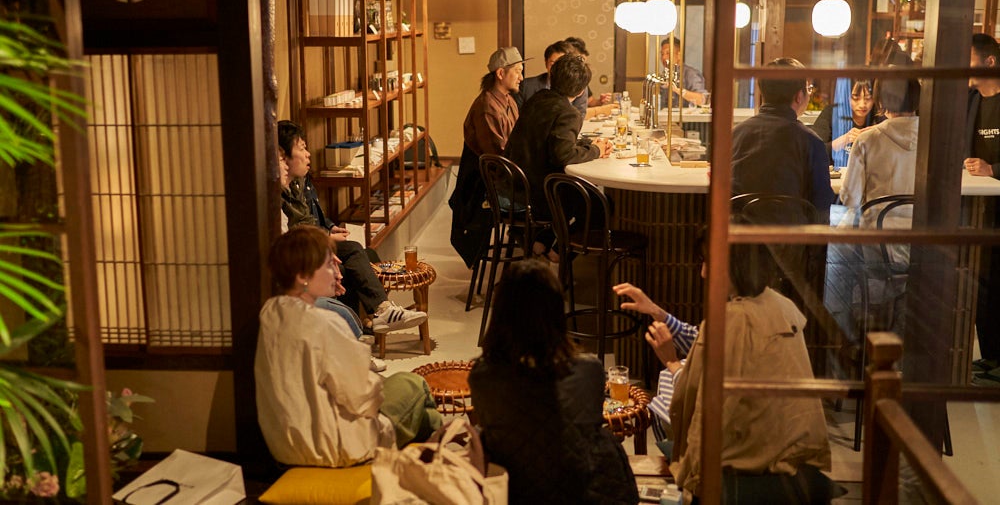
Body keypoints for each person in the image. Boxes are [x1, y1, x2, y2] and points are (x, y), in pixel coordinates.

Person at [614, 241, 834, 504]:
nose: (703, 273)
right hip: (790, 443)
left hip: (752, 454)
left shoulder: (731, 320)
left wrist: (670, 361)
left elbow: (698, 398)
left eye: (708, 262)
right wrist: (657, 313)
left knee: (664, 394)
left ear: (733, 267)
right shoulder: (779, 304)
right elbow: (704, 342)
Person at [255, 226, 442, 467]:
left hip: (284, 446)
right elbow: (361, 397)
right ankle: (437, 463)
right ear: (302, 276)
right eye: (329, 265)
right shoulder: (325, 323)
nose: (338, 272)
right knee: (413, 384)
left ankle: (431, 452)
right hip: (331, 447)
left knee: (425, 416)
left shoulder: (270, 312)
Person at [470, 259, 638, 505]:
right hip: (582, 495)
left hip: (513, 493)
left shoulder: (482, 377)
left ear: (501, 313)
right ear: (557, 312)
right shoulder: (588, 371)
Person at [278, 120, 426, 334]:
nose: (308, 154)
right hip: (305, 251)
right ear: (283, 156)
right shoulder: (279, 193)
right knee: (352, 255)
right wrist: (326, 238)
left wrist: (330, 228)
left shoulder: (301, 181)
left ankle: (373, 320)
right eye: (301, 148)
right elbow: (296, 233)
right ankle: (379, 314)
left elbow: (314, 216)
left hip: (316, 241)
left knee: (368, 254)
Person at [827, 72, 920, 340]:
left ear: (880, 101)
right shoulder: (935, 139)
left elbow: (850, 199)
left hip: (877, 247)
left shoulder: (868, 139)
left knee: (833, 253)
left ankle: (842, 337)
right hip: (924, 244)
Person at [504, 53, 613, 256]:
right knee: (601, 204)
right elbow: (562, 155)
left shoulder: (537, 98)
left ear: (551, 77)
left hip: (514, 184)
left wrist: (588, 144)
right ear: (581, 90)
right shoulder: (568, 113)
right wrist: (597, 150)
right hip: (538, 194)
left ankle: (540, 241)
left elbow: (549, 140)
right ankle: (559, 251)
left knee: (576, 193)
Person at [731, 57, 835, 224]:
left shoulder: (736, 135)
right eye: (808, 89)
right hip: (791, 237)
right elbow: (822, 208)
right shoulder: (811, 142)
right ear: (799, 96)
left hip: (740, 235)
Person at [448, 47, 526, 268]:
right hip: (488, 187)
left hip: (504, 178)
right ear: (501, 73)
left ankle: (534, 251)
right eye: (517, 71)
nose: (521, 78)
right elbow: (499, 157)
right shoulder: (487, 107)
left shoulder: (508, 100)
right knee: (545, 199)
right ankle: (537, 253)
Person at [966, 33, 1000, 384]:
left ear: (989, 62)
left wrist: (993, 170)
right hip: (977, 210)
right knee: (982, 284)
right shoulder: (970, 100)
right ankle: (990, 355)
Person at [810, 78, 884, 169]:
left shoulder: (879, 115)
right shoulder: (832, 113)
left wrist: (881, 132)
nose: (862, 104)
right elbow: (813, 151)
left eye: (868, 98)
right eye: (856, 98)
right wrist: (844, 139)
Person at [515, 40, 588, 118]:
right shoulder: (527, 86)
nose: (557, 69)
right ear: (546, 63)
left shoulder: (578, 86)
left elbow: (579, 115)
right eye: (552, 64)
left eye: (562, 65)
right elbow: (516, 117)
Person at [660, 37, 708, 108]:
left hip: (688, 115)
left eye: (668, 53)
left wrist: (678, 90)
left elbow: (702, 100)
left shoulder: (691, 74)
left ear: (679, 55)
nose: (664, 57)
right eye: (662, 54)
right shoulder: (664, 74)